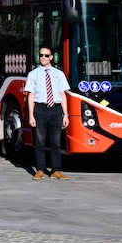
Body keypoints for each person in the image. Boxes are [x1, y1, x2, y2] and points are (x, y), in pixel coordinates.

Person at [24, 45, 70, 181]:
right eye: (41, 55)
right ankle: (40, 169)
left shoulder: (58, 74)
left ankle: (56, 170)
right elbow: (31, 96)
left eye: (46, 55)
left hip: (56, 109)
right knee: (39, 141)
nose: (43, 58)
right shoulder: (33, 74)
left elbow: (63, 95)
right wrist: (31, 115)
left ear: (51, 57)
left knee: (56, 142)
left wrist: (65, 114)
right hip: (41, 109)